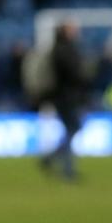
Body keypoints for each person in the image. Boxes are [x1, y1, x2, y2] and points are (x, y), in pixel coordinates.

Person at [40, 22, 88, 179]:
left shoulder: (60, 48)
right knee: (73, 127)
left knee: (72, 128)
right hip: (66, 97)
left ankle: (51, 158)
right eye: (72, 30)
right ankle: (67, 169)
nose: (76, 32)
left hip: (65, 96)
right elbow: (73, 73)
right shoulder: (64, 50)